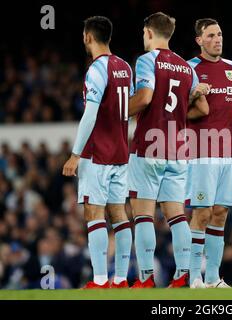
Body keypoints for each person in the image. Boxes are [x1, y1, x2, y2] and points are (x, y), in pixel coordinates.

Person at [127, 12, 209, 288]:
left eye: (143, 33)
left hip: (149, 146)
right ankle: (183, 274)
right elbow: (203, 109)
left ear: (149, 32)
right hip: (178, 148)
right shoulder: (188, 68)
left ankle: (146, 278)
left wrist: (118, 112)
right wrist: (179, 114)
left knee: (143, 214)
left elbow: (146, 96)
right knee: (176, 215)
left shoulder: (147, 60)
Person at [185, 18, 232, 289]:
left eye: (220, 34)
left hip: (229, 154)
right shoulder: (189, 68)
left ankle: (213, 278)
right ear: (199, 40)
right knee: (201, 213)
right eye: (212, 35)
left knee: (220, 213)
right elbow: (174, 105)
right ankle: (194, 277)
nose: (218, 39)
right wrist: (193, 94)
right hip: (201, 152)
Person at [62, 16, 134, 289]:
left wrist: (75, 154)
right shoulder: (125, 67)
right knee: (119, 214)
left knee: (94, 213)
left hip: (97, 154)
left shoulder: (96, 69)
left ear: (88, 37)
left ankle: (101, 280)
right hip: (120, 153)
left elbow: (90, 114)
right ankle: (121, 279)